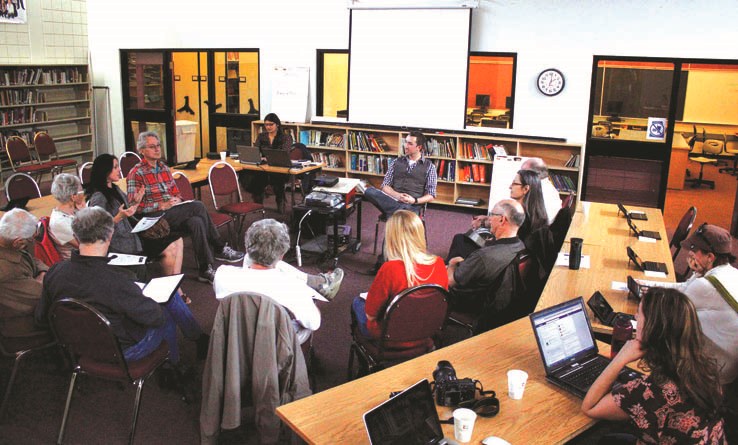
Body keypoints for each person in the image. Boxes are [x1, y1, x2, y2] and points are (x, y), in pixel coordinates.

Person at [35, 207, 208, 364]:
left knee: (164, 299)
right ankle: (173, 366)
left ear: (76, 235)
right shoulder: (117, 279)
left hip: (76, 346)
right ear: (109, 235)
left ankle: (196, 338)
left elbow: (42, 317)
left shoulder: (54, 272)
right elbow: (156, 318)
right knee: (166, 307)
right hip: (122, 350)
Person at [582, 287, 726, 444]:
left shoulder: (653, 390)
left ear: (653, 327)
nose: (636, 316)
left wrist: (621, 358)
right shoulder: (705, 368)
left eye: (640, 313)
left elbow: (590, 407)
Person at [126, 131, 244, 283]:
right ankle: (219, 247)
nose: (157, 149)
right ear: (141, 150)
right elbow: (134, 208)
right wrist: (160, 205)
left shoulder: (163, 167)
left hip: (171, 214)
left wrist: (177, 199)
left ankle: (205, 269)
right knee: (198, 206)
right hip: (153, 219)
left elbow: (176, 192)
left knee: (196, 221)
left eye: (158, 146)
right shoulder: (136, 173)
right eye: (152, 146)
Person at [636, 223, 738, 386]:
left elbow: (670, 308)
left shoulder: (707, 285)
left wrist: (646, 297)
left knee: (651, 336)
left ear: (710, 257)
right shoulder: (729, 272)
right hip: (726, 364)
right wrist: (647, 286)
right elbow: (683, 289)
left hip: (713, 373)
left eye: (694, 250)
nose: (689, 254)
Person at [213, 218, 344, 345]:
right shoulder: (293, 287)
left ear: (247, 247)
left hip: (236, 337)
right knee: (306, 325)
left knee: (259, 259)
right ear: (282, 255)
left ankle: (316, 282)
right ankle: (318, 284)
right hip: (274, 344)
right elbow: (314, 324)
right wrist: (311, 304)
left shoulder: (222, 275)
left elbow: (249, 260)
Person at [87, 154, 185, 284]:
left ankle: (175, 287)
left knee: (178, 240)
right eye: (115, 167)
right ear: (105, 171)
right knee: (171, 248)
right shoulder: (99, 197)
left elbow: (128, 212)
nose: (119, 170)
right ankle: (174, 289)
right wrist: (118, 217)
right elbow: (99, 227)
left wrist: (136, 203)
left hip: (133, 235)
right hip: (121, 243)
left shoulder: (114, 188)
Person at [352, 210, 448, 339]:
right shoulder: (439, 263)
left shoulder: (390, 269)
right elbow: (440, 305)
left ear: (391, 238)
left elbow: (371, 315)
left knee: (357, 302)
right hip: (425, 333)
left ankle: (364, 350)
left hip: (390, 337)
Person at [447, 199, 526, 329]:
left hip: (471, 301)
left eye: (492, 214)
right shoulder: (520, 245)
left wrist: (451, 264)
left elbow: (450, 281)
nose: (489, 218)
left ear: (502, 220)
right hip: (498, 300)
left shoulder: (483, 257)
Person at [362, 130, 437, 217]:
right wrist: (397, 196)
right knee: (369, 191)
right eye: (405, 142)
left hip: (412, 205)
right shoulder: (396, 162)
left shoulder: (430, 167)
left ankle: (396, 213)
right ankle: (400, 213)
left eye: (410, 144)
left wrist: (414, 200)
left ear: (419, 147)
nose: (405, 146)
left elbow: (431, 195)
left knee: (406, 209)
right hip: (393, 200)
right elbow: (385, 185)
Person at [0, 209, 47, 337]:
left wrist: (42, 273)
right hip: (20, 328)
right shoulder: (7, 270)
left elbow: (33, 260)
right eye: (31, 239)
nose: (33, 241)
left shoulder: (6, 242)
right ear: (18, 242)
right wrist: (43, 276)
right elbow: (43, 294)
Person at [246, 113, 293, 212]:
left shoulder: (286, 137)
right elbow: (255, 150)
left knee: (277, 178)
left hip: (279, 167)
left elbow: (284, 153)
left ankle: (280, 200)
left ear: (277, 125)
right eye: (266, 124)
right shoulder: (261, 136)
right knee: (254, 175)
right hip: (263, 166)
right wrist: (258, 157)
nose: (268, 127)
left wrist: (267, 158)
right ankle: (258, 203)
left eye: (271, 124)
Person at [48, 173, 86, 260]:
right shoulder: (59, 222)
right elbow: (85, 245)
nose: (83, 192)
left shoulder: (75, 210)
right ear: (73, 197)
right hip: (78, 262)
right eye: (81, 190)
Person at [510, 169, 548, 242]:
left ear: (525, 189)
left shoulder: (521, 220)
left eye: (514, 183)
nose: (510, 187)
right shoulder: (538, 217)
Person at [521, 157, 562, 224]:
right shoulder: (547, 186)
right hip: (545, 228)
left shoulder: (537, 190)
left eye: (523, 172)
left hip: (537, 229)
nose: (520, 175)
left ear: (534, 174)